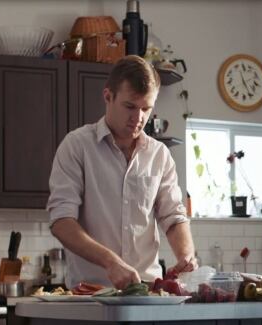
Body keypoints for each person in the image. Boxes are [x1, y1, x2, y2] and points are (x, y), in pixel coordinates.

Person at [47, 55, 196, 289]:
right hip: (91, 293)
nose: (138, 118)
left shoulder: (159, 155)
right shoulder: (76, 146)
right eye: (130, 107)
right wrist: (111, 262)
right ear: (108, 96)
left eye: (146, 109)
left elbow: (174, 216)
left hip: (147, 291)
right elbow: (61, 221)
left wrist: (186, 256)